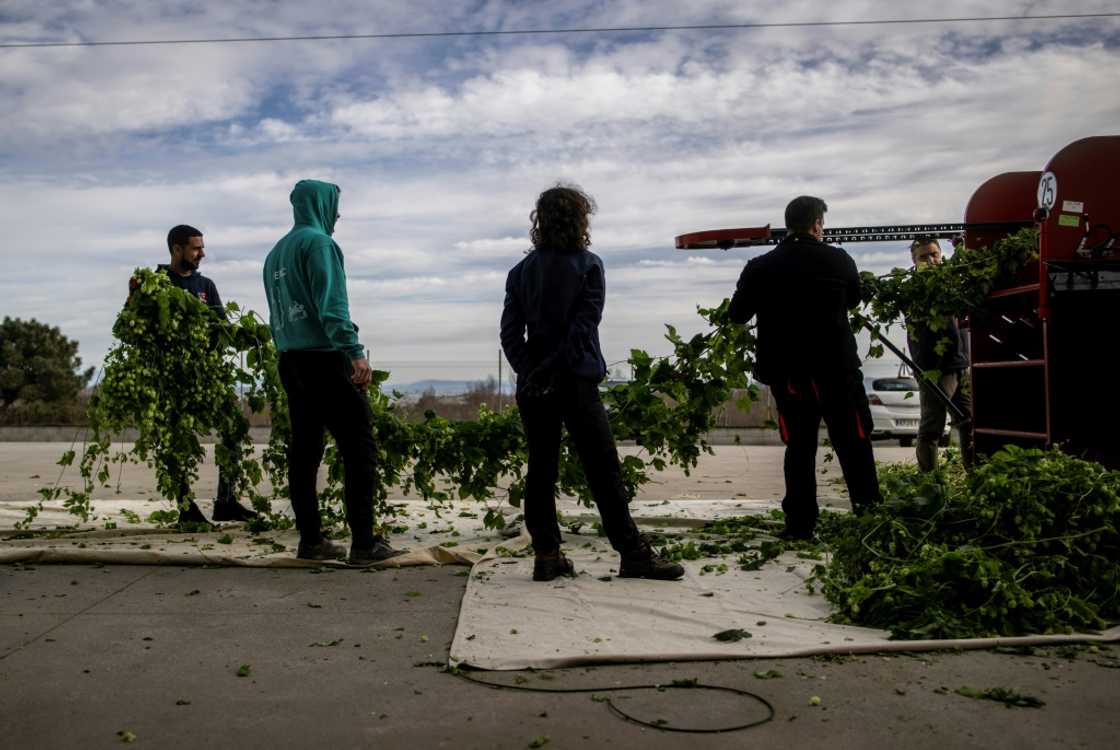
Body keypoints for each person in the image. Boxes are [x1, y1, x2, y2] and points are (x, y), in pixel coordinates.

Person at [500, 184, 684, 582]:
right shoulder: (589, 265)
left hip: (534, 386)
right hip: (576, 382)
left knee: (541, 468)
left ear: (540, 221)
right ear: (581, 220)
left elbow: (510, 334)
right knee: (603, 470)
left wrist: (532, 371)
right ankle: (632, 553)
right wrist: (552, 369)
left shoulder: (520, 272)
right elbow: (584, 328)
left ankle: (546, 555)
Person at [263, 179, 401, 565]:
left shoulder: (275, 254)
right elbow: (332, 306)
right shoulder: (320, 244)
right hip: (325, 358)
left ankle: (310, 541)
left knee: (305, 450)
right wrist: (354, 352)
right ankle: (364, 543)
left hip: (290, 362)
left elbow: (278, 316)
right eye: (335, 206)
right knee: (359, 447)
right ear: (321, 206)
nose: (338, 215)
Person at [728, 196, 881, 539]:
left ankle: (800, 526)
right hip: (837, 370)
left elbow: (737, 315)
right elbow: (855, 299)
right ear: (817, 225)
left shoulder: (760, 266)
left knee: (799, 447)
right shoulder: (840, 260)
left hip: (788, 375)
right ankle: (872, 521)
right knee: (854, 443)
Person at [128, 225, 257, 525]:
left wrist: (248, 336)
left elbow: (220, 329)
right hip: (169, 376)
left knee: (233, 429)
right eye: (196, 248)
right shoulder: (154, 283)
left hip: (205, 377)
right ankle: (187, 508)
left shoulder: (206, 286)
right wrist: (134, 297)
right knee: (174, 440)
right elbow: (130, 330)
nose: (202, 253)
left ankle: (226, 502)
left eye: (201, 247)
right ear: (176, 249)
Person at [906, 237, 974, 472]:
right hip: (933, 369)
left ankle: (973, 474)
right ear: (914, 262)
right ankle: (929, 482)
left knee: (967, 423)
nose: (931, 260)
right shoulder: (913, 290)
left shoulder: (951, 283)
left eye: (934, 254)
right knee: (932, 428)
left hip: (959, 363)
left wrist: (961, 249)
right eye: (923, 257)